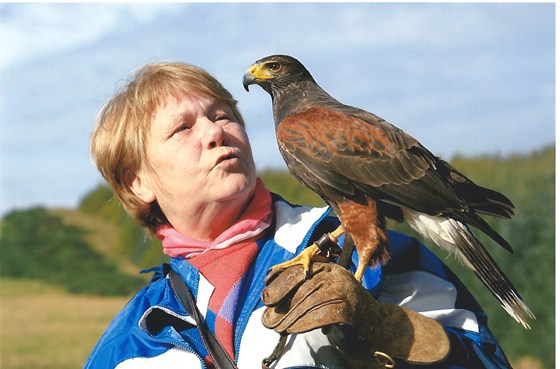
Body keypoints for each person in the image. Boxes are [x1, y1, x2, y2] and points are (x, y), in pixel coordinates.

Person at [84, 61, 514, 369]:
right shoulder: (133, 339)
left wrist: (392, 333)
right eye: (183, 128)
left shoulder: (363, 251)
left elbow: (483, 360)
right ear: (136, 181)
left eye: (223, 116)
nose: (215, 132)